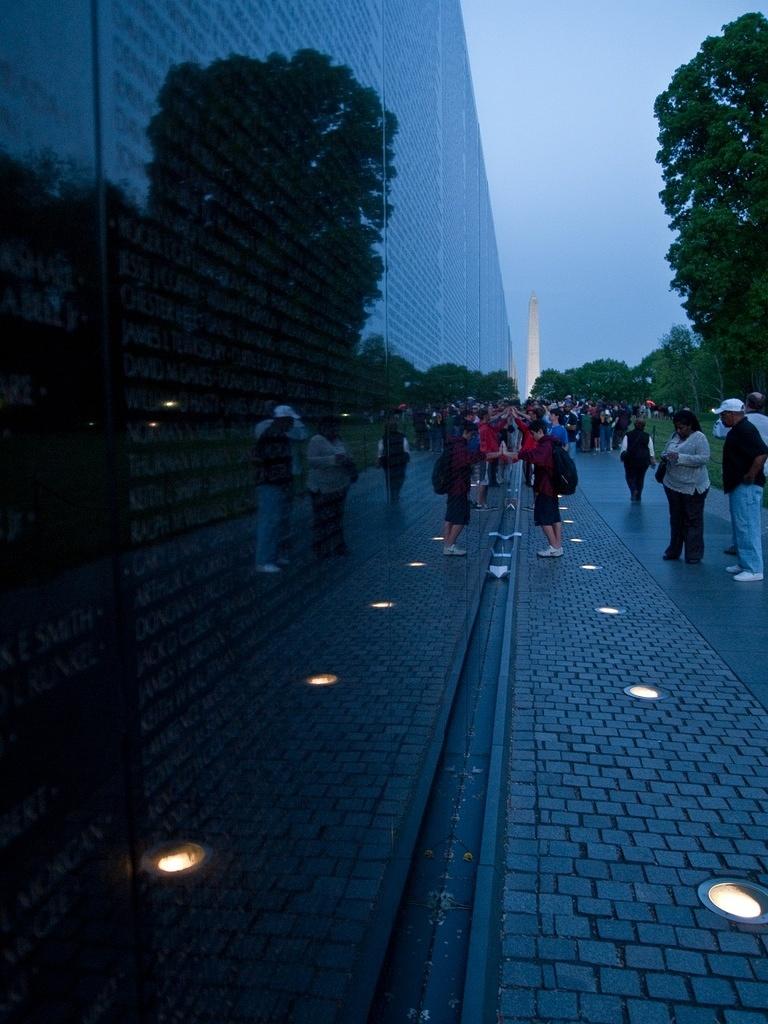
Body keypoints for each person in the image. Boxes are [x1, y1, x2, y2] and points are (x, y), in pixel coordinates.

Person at [714, 398, 768, 582]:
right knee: (741, 525)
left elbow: (761, 452)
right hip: (739, 485)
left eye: (723, 415)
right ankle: (744, 562)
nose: (721, 418)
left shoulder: (745, 430)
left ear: (732, 414)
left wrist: (751, 473)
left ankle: (754, 568)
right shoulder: (738, 430)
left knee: (748, 525)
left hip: (747, 486)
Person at [659, 410, 710, 564]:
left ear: (690, 425)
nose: (679, 430)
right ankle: (674, 550)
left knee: (692, 519)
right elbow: (665, 450)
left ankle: (693, 553)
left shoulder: (699, 438)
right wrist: (665, 456)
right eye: (677, 427)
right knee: (676, 519)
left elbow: (703, 458)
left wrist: (680, 458)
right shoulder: (675, 436)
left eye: (682, 428)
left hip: (693, 486)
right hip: (672, 484)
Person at [442, 420, 500, 556]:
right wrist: (487, 454)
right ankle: (449, 546)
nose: (475, 438)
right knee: (460, 517)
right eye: (474, 435)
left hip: (453, 486)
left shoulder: (454, 444)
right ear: (467, 433)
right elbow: (468, 459)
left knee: (450, 517)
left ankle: (448, 544)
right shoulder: (461, 447)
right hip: (458, 486)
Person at [251, 405, 297, 572]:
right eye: (290, 420)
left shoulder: (275, 434)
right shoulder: (274, 435)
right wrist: (283, 482)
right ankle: (264, 560)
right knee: (270, 522)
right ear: (283, 420)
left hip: (273, 483)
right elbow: (272, 462)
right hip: (271, 484)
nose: (292, 423)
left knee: (274, 521)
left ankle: (272, 556)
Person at [508, 419, 563, 557]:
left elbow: (536, 457)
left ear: (540, 431)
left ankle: (554, 546)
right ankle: (558, 545)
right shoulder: (552, 442)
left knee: (544, 517)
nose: (532, 437)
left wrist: (519, 454)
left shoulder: (545, 445)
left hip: (545, 486)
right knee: (554, 516)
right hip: (552, 486)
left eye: (533, 434)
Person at [307, 416, 357, 559]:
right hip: (321, 487)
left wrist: (348, 461)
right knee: (322, 518)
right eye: (332, 427)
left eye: (336, 427)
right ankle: (321, 547)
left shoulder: (339, 440)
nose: (335, 430)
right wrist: (332, 460)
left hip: (339, 485)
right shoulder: (316, 440)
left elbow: (349, 454)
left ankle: (338, 544)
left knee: (337, 517)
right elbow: (311, 461)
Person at [620, 417, 655, 501]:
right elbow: (651, 449)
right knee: (640, 478)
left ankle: (633, 490)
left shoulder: (628, 435)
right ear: (644, 426)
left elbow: (624, 448)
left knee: (629, 476)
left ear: (634, 425)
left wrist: (622, 457)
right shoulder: (647, 436)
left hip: (630, 460)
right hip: (643, 461)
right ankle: (639, 495)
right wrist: (652, 460)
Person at [377, 418, 410, 503]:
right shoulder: (400, 437)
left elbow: (380, 451)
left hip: (391, 461)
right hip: (398, 461)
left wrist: (380, 459)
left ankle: (394, 493)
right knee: (398, 478)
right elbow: (406, 448)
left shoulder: (384, 438)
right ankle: (395, 493)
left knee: (391, 479)